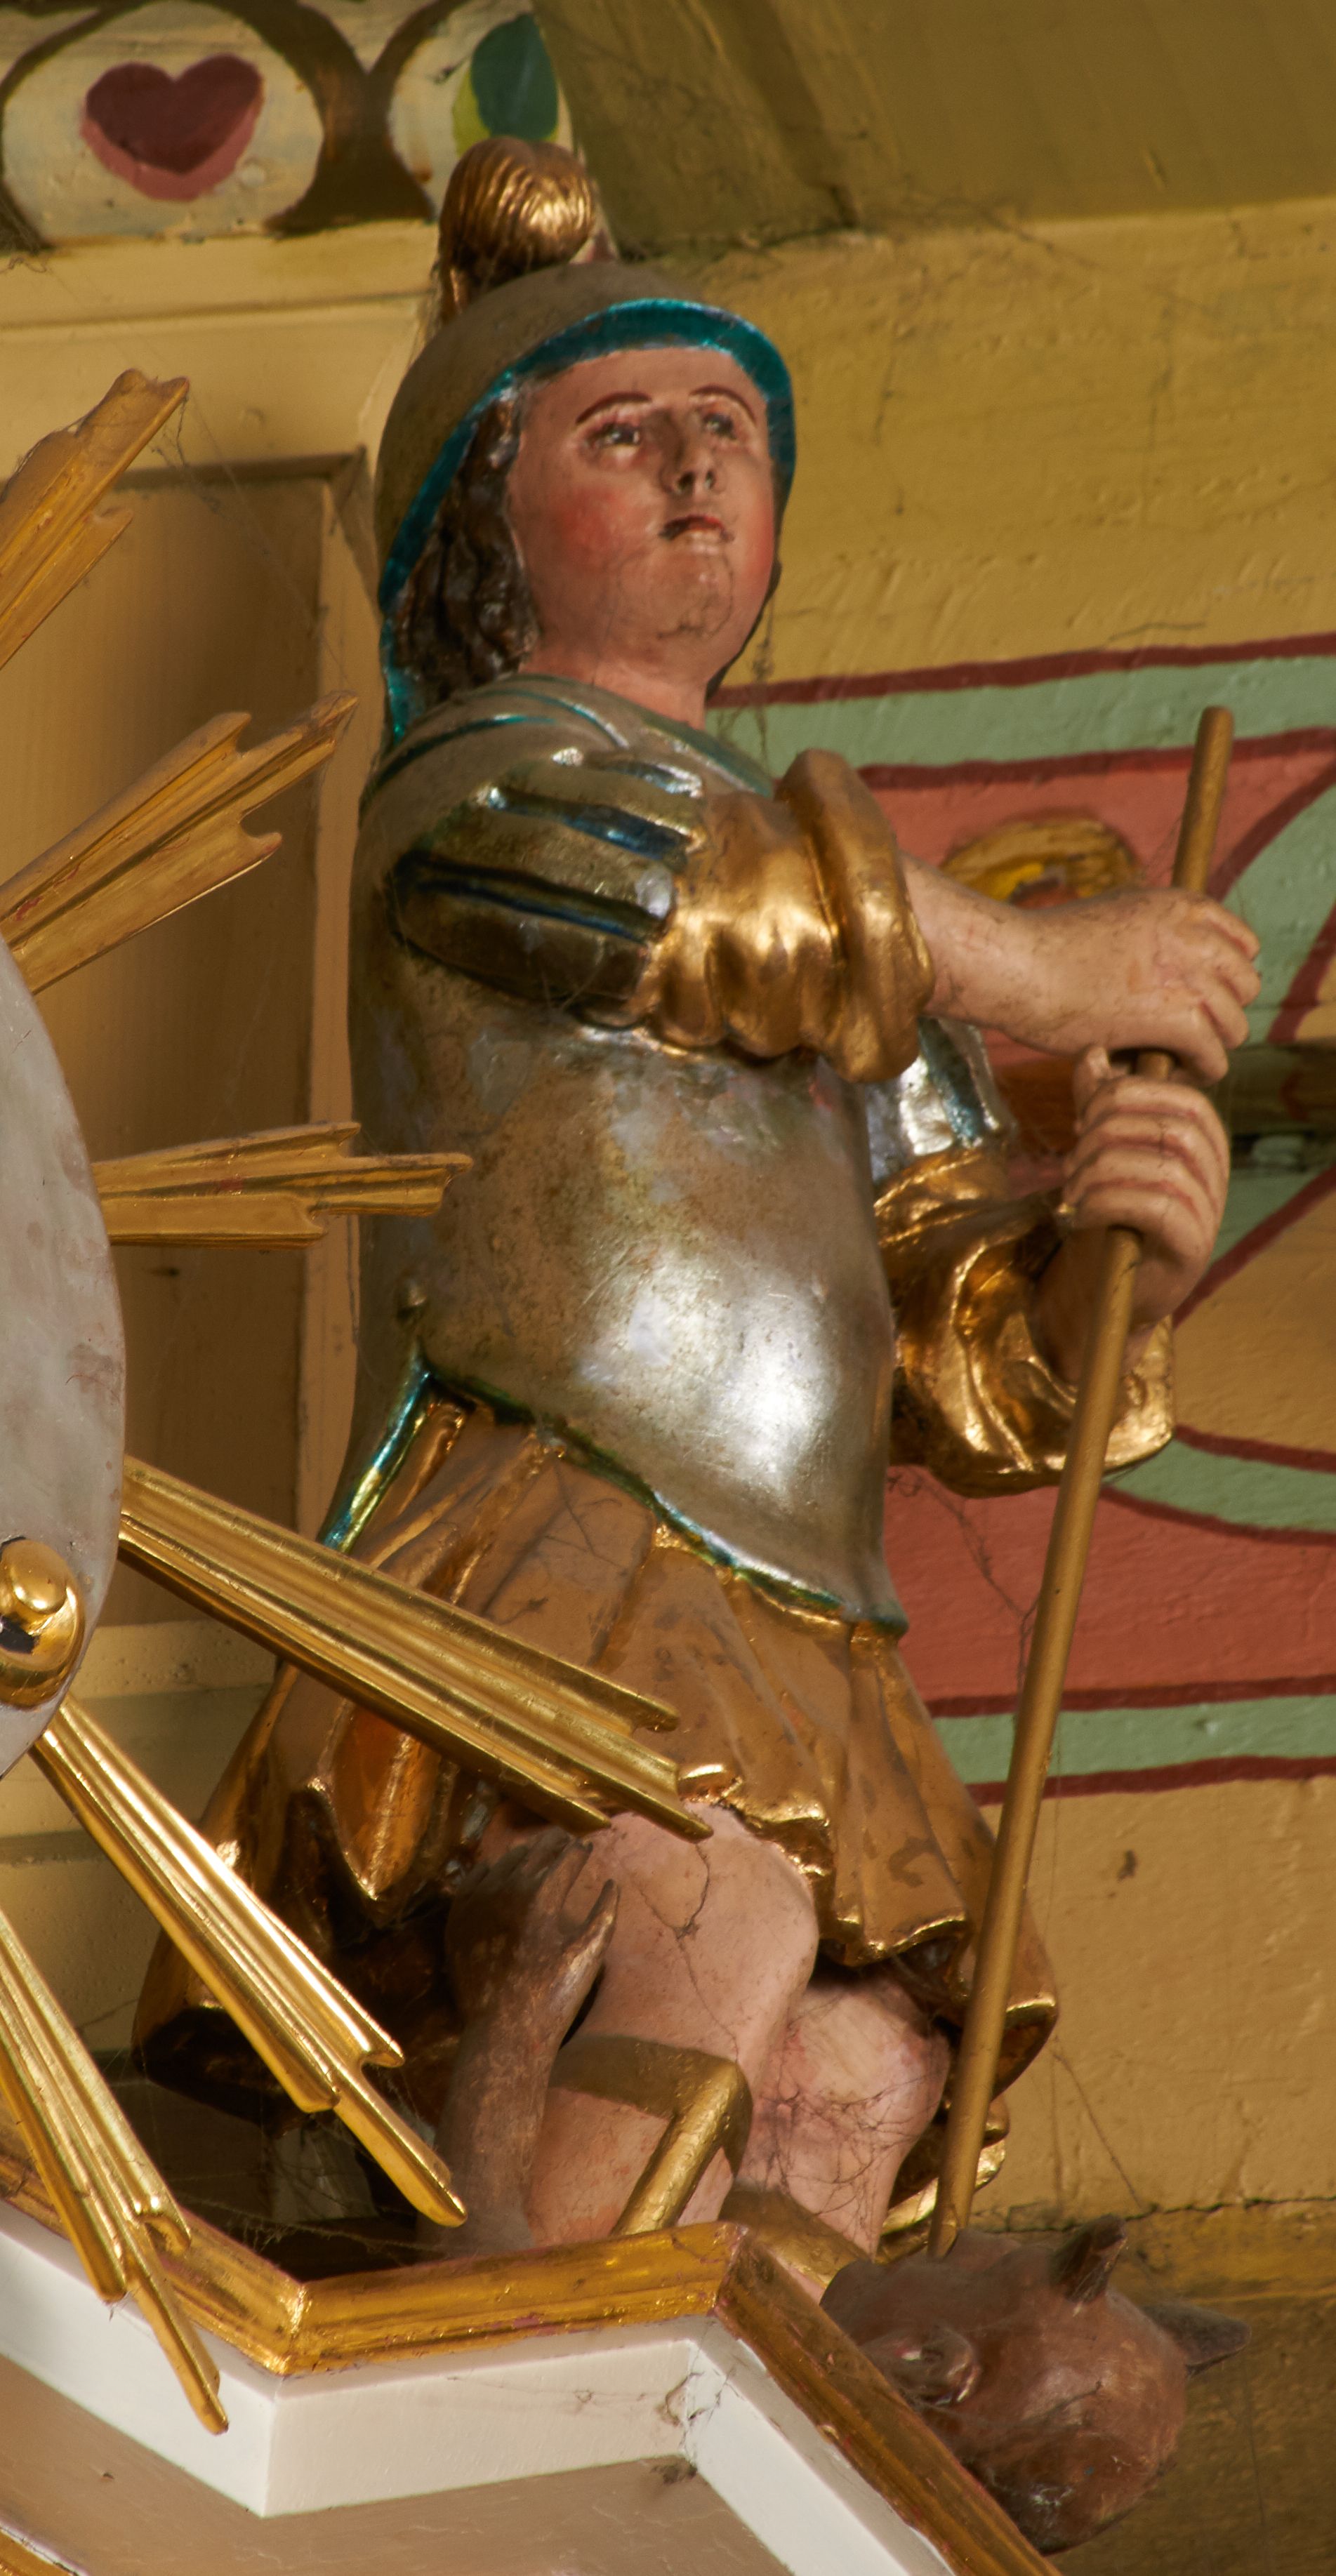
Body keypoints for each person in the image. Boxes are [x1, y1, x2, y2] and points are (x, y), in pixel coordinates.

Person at [135, 138, 1255, 2276]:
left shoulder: (869, 929)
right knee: (690, 1911)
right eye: (623, 433)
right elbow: (705, 915)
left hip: (800, 1600)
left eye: (728, 431)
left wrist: (1105, 1252)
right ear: (484, 527)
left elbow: (955, 1331)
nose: (694, 470)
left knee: (859, 2068)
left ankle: (740, 2391)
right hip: (564, 1530)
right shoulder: (480, 785)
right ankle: (539, 2340)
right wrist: (1051, 969)